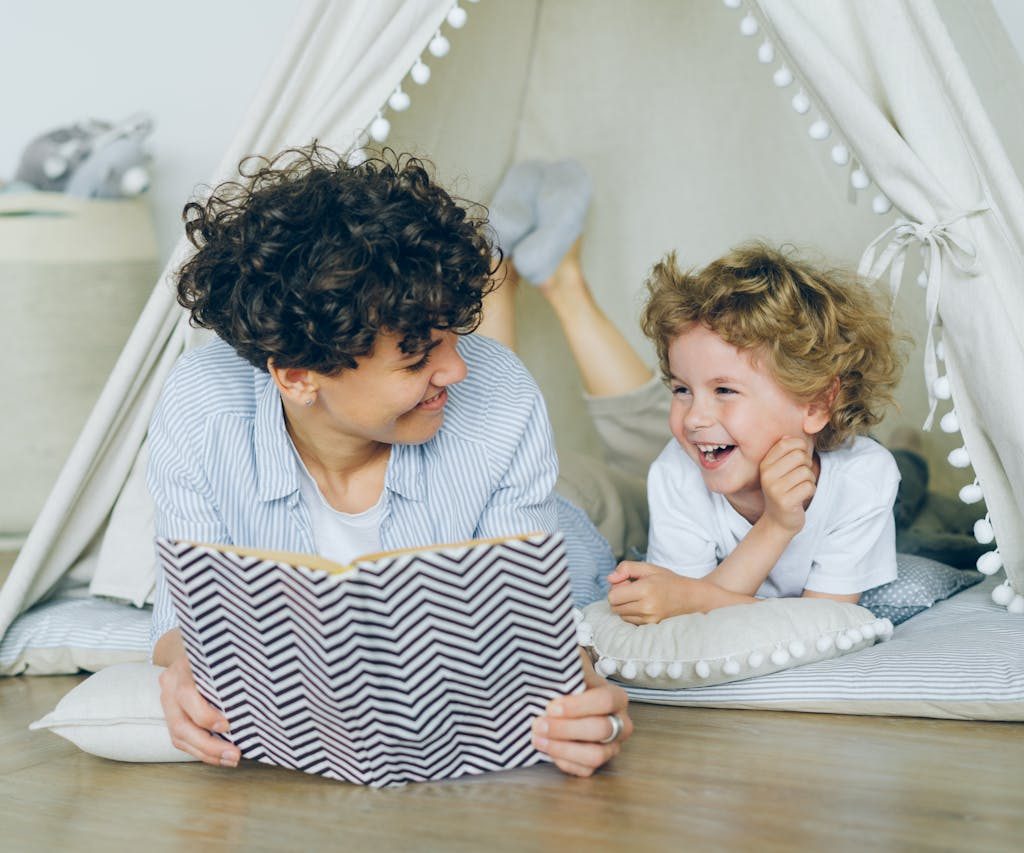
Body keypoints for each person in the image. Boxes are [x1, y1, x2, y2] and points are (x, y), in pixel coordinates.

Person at [147, 144, 632, 778]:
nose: (456, 368)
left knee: (635, 481)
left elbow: (533, 628)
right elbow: (182, 619)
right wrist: (186, 665)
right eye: (416, 356)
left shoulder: (500, 393)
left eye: (456, 333)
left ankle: (546, 279)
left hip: (577, 507)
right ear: (297, 376)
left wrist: (585, 698)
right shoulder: (200, 404)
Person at [486, 205, 906, 626]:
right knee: (643, 451)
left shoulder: (863, 477)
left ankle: (911, 452)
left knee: (909, 483)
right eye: (681, 390)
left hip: (860, 464)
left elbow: (825, 623)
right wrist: (775, 527)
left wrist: (694, 594)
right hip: (635, 487)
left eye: (725, 390)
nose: (694, 418)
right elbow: (685, 616)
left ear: (815, 405)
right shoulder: (676, 474)